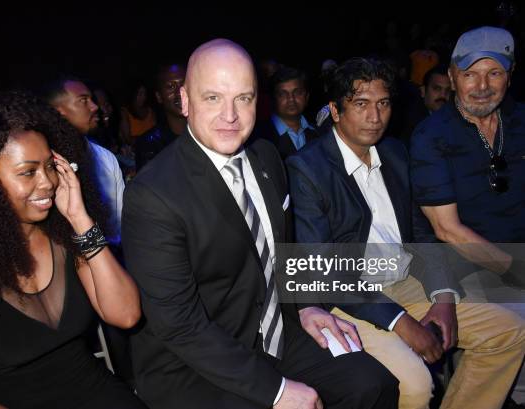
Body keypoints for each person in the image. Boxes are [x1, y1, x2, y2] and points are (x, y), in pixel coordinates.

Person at [122, 38, 399, 409]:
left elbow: (281, 251)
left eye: (244, 98)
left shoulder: (267, 157)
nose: (230, 115)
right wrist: (278, 390)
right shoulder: (153, 194)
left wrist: (305, 306)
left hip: (276, 331)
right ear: (185, 100)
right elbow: (180, 325)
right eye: (212, 98)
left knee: (372, 384)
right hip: (196, 360)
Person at [286, 57, 525, 409]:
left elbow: (422, 236)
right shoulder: (307, 168)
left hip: (403, 281)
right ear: (336, 111)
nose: (374, 116)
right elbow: (325, 271)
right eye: (361, 104)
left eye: (383, 104)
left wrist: (443, 296)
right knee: (412, 385)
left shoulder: (395, 152)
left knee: (507, 331)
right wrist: (400, 322)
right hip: (349, 299)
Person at [0, 92, 146, 409]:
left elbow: (126, 315)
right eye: (28, 171)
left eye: (50, 166)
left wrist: (80, 221)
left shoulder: (65, 239)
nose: (48, 182)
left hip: (98, 393)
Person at [410, 26, 525, 407]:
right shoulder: (431, 136)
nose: (482, 86)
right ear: (454, 75)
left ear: (510, 75)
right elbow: (447, 229)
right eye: (471, 73)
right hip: (466, 268)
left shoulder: (520, 120)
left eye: (494, 73)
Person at [42, 76, 126, 249]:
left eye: (92, 100)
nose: (95, 107)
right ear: (58, 112)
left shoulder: (105, 158)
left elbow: (121, 222)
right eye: (83, 100)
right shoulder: (43, 165)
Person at [252, 67, 319, 161]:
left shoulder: (319, 133)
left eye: (297, 93)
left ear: (307, 97)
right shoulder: (259, 137)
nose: (291, 99)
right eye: (282, 94)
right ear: (273, 99)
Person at [135, 62, 186, 171]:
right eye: (171, 86)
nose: (180, 92)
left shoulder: (210, 135)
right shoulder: (149, 145)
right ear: (159, 97)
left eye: (184, 84)